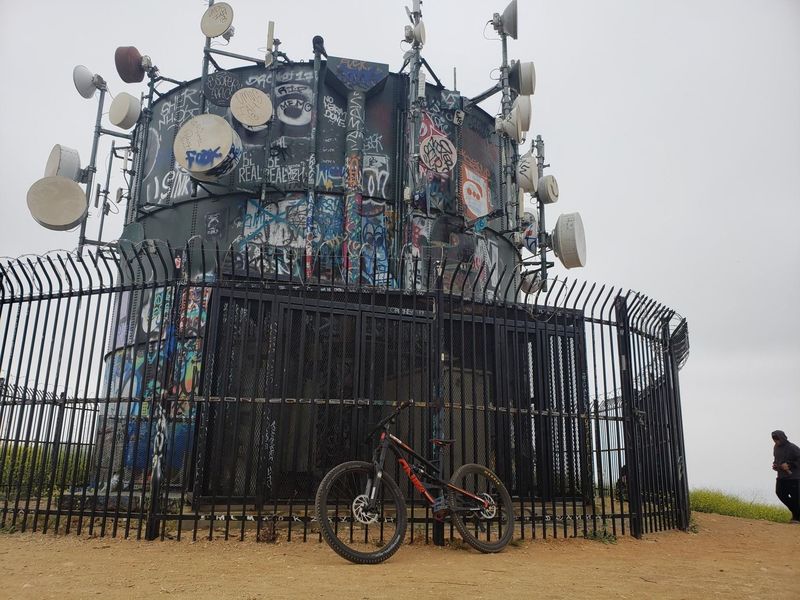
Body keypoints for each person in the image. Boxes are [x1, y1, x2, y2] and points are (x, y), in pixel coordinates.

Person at [771, 430, 800, 523]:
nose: (775, 441)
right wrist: (775, 465)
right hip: (781, 476)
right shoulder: (776, 447)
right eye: (774, 439)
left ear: (782, 438)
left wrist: (790, 465)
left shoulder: (792, 448)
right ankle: (797, 514)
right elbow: (776, 459)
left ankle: (796, 518)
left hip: (794, 477)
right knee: (780, 493)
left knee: (796, 498)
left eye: (777, 439)